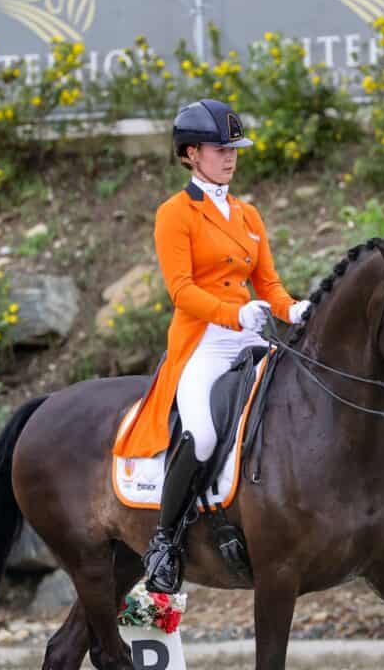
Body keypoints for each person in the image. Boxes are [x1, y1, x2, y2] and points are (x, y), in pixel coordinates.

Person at [113, 98, 311, 594]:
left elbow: (269, 285)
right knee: (200, 434)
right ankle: (163, 543)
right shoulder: (174, 214)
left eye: (234, 149)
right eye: (220, 149)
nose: (230, 157)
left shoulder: (248, 214)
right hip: (203, 341)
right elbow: (181, 290)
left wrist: (295, 310)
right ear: (190, 154)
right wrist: (233, 312)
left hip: (249, 336)